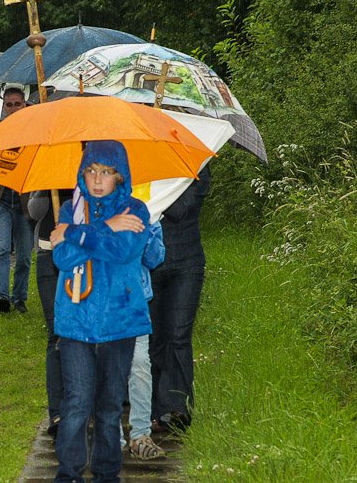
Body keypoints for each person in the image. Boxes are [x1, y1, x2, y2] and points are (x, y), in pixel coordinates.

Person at [50, 140, 149, 482]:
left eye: (106, 172)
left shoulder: (136, 210)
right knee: (77, 403)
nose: (96, 179)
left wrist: (74, 236)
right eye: (90, 170)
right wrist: (106, 227)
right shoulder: (70, 209)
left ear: (120, 176)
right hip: (75, 320)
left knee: (109, 406)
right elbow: (62, 257)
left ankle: (107, 474)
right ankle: (68, 474)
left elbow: (122, 252)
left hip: (120, 320)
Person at [149, 166, 211, 431]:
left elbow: (182, 209)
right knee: (152, 337)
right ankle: (153, 408)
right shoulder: (143, 167)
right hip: (149, 264)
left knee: (178, 334)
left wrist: (156, 188)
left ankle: (177, 408)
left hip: (187, 264)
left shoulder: (197, 167)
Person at [0, 88, 35, 313]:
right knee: (1, 248)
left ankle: (20, 297)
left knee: (24, 256)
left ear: (24, 104)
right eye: (9, 104)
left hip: (25, 201)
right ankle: (1, 297)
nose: (13, 108)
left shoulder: (34, 132)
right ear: (4, 107)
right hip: (0, 199)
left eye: (17, 104)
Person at [27, 189, 72, 439]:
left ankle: (80, 406)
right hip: (48, 257)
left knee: (79, 335)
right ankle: (57, 412)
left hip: (81, 259)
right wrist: (46, 188)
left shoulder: (91, 178)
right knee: (56, 334)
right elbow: (33, 212)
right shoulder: (46, 179)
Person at [124, 220, 166, 460]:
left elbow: (155, 258)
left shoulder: (147, 212)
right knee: (107, 369)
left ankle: (140, 435)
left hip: (136, 300)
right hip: (103, 301)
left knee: (140, 363)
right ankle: (111, 437)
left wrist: (147, 229)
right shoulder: (93, 207)